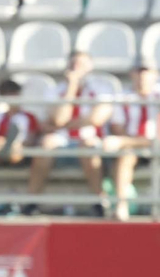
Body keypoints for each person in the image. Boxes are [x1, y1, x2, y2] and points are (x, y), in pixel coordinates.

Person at [103, 62, 160, 219]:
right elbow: (117, 127)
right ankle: (122, 204)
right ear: (132, 74)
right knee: (125, 156)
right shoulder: (122, 97)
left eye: (146, 72)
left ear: (155, 74)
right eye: (139, 72)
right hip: (135, 146)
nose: (142, 76)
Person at [32, 50, 112, 202]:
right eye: (72, 64)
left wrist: (63, 125)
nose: (75, 68)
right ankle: (31, 200)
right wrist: (72, 87)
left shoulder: (102, 89)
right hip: (62, 142)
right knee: (45, 144)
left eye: (80, 64)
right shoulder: (56, 90)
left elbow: (96, 119)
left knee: (88, 145)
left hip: (91, 141)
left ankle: (100, 200)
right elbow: (58, 119)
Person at [0, 77, 41, 170]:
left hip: (19, 153)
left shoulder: (29, 117)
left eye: (16, 94)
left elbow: (30, 141)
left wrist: (14, 145)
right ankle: (2, 153)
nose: (14, 98)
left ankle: (3, 152)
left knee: (13, 148)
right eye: (10, 94)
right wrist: (1, 142)